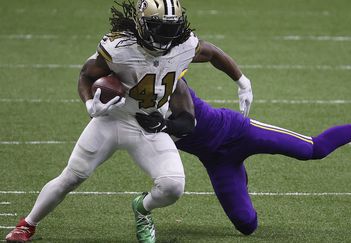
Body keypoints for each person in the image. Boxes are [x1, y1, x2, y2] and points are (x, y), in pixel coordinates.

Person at [5, 1, 252, 243]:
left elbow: (213, 53)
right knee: (73, 175)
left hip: (148, 124)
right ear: (141, 23)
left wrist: (242, 81)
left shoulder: (183, 44)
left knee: (173, 186)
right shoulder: (119, 46)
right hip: (112, 119)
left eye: (170, 28)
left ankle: (142, 209)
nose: (165, 36)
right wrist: (91, 104)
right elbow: (86, 75)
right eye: (158, 28)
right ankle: (27, 224)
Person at [136, 78, 351, 236]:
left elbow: (188, 122)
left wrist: (240, 79)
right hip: (216, 159)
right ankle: (239, 175)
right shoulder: (129, 111)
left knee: (314, 149)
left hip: (238, 131)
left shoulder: (172, 83)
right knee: (247, 226)